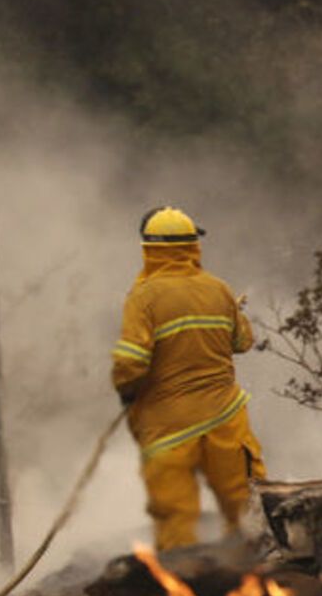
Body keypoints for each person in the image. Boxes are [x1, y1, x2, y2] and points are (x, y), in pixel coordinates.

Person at [111, 206, 266, 549]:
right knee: (246, 508)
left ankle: (178, 575)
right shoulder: (219, 290)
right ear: (193, 246)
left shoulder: (142, 298)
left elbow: (130, 362)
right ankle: (255, 569)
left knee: (175, 517)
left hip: (169, 429)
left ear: (149, 249)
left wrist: (127, 392)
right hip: (225, 419)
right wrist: (229, 314)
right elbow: (242, 342)